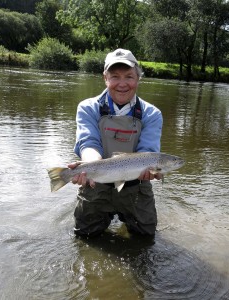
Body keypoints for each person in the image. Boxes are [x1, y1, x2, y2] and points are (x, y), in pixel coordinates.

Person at [69, 48, 163, 237]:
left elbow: (147, 151)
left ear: (138, 79)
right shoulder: (88, 107)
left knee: (145, 238)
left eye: (129, 76)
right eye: (115, 76)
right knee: (86, 237)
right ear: (105, 78)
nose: (122, 84)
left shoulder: (152, 114)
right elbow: (89, 143)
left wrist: (151, 171)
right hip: (96, 183)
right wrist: (88, 167)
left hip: (136, 187)